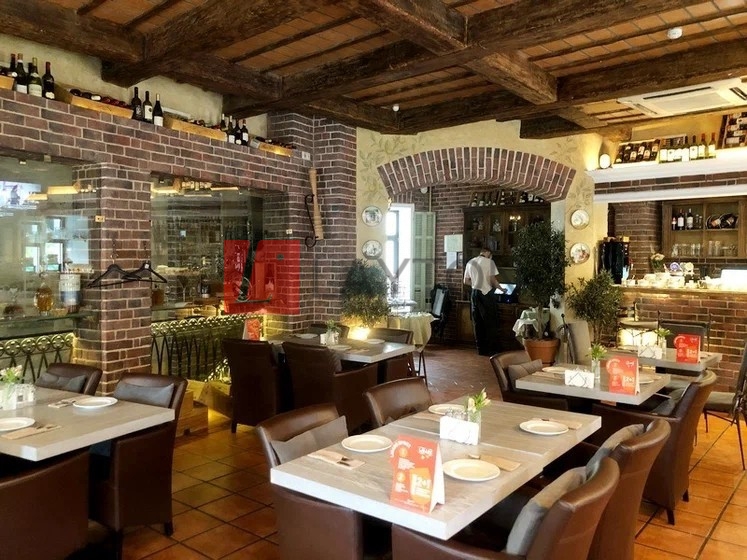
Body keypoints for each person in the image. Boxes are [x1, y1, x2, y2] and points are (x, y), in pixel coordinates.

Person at [463, 247, 503, 356]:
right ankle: (492, 349)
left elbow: (466, 281)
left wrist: (476, 283)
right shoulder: (490, 262)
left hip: (474, 294)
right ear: (488, 253)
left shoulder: (470, 262)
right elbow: (493, 280)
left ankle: (480, 349)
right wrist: (502, 289)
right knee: (490, 321)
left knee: (477, 321)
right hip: (486, 294)